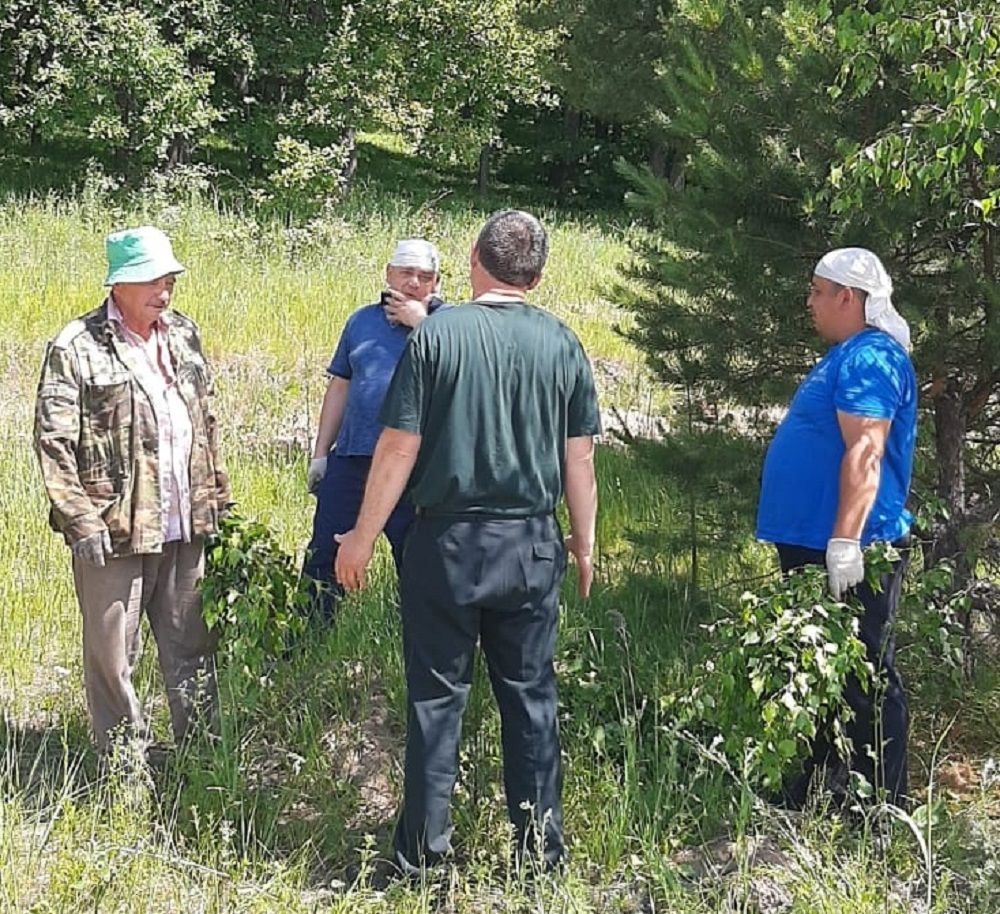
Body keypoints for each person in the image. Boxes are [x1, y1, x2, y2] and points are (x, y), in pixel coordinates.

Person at [335, 210, 601, 873]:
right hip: (532, 544)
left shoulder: (438, 336)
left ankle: (422, 859)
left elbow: (398, 447)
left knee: (435, 699)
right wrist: (584, 544)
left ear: (475, 260)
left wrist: (361, 538)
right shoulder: (562, 343)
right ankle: (541, 858)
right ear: (536, 275)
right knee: (531, 701)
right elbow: (580, 460)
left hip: (447, 542)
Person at [33, 225, 231, 760]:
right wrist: (79, 519)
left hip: (185, 521)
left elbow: (205, 421)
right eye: (150, 281)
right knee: (114, 658)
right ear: (119, 284)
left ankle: (203, 764)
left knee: (192, 646)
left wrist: (218, 498)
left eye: (168, 279)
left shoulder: (184, 334)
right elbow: (52, 440)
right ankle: (125, 773)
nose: (163, 292)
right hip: (114, 527)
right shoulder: (76, 344)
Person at [756, 247, 917, 808]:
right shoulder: (850, 353)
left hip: (855, 545)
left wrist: (846, 540)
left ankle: (881, 806)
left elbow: (866, 451)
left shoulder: (871, 358)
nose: (810, 302)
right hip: (815, 541)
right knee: (815, 661)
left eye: (818, 291)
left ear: (849, 297)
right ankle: (808, 787)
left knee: (865, 670)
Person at [301, 239, 444, 621]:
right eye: (406, 273)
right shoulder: (361, 321)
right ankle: (305, 644)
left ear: (437, 282)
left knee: (418, 563)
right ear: (388, 274)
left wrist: (422, 325)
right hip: (352, 458)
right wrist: (320, 454)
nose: (414, 282)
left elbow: (460, 376)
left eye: (425, 276)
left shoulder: (448, 326)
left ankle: (424, 648)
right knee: (324, 556)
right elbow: (340, 386)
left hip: (417, 468)